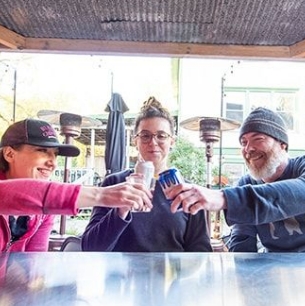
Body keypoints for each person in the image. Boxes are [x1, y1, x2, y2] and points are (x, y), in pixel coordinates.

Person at [0, 118, 152, 252]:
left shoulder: (43, 212)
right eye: (42, 150)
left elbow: (33, 265)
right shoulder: (43, 202)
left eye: (55, 154)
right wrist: (102, 195)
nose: (52, 163)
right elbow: (25, 195)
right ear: (9, 154)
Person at [81, 97, 211, 252]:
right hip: (121, 276)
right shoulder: (114, 183)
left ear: (172, 142)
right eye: (145, 135)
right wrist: (121, 210)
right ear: (135, 141)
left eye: (161, 136)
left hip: (172, 276)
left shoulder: (187, 192)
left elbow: (201, 254)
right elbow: (90, 247)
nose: (153, 142)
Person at [168, 107, 305, 252]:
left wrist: (223, 198)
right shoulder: (246, 183)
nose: (249, 148)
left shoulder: (301, 166)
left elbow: (300, 193)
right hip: (274, 269)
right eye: (243, 142)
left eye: (258, 139)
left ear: (282, 143)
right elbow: (242, 243)